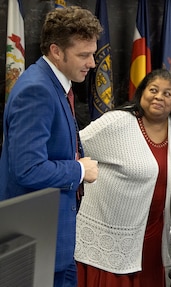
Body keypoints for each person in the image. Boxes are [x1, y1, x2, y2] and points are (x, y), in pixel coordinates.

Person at [0, 6, 101, 286]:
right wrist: (79, 170)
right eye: (83, 55)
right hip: (32, 243)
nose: (92, 63)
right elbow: (27, 169)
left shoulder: (57, 84)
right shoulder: (37, 90)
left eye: (92, 53)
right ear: (56, 51)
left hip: (55, 238)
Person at [74, 69, 171, 287]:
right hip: (112, 231)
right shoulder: (118, 122)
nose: (159, 97)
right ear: (142, 92)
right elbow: (75, 143)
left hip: (153, 230)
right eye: (153, 90)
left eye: (167, 93)